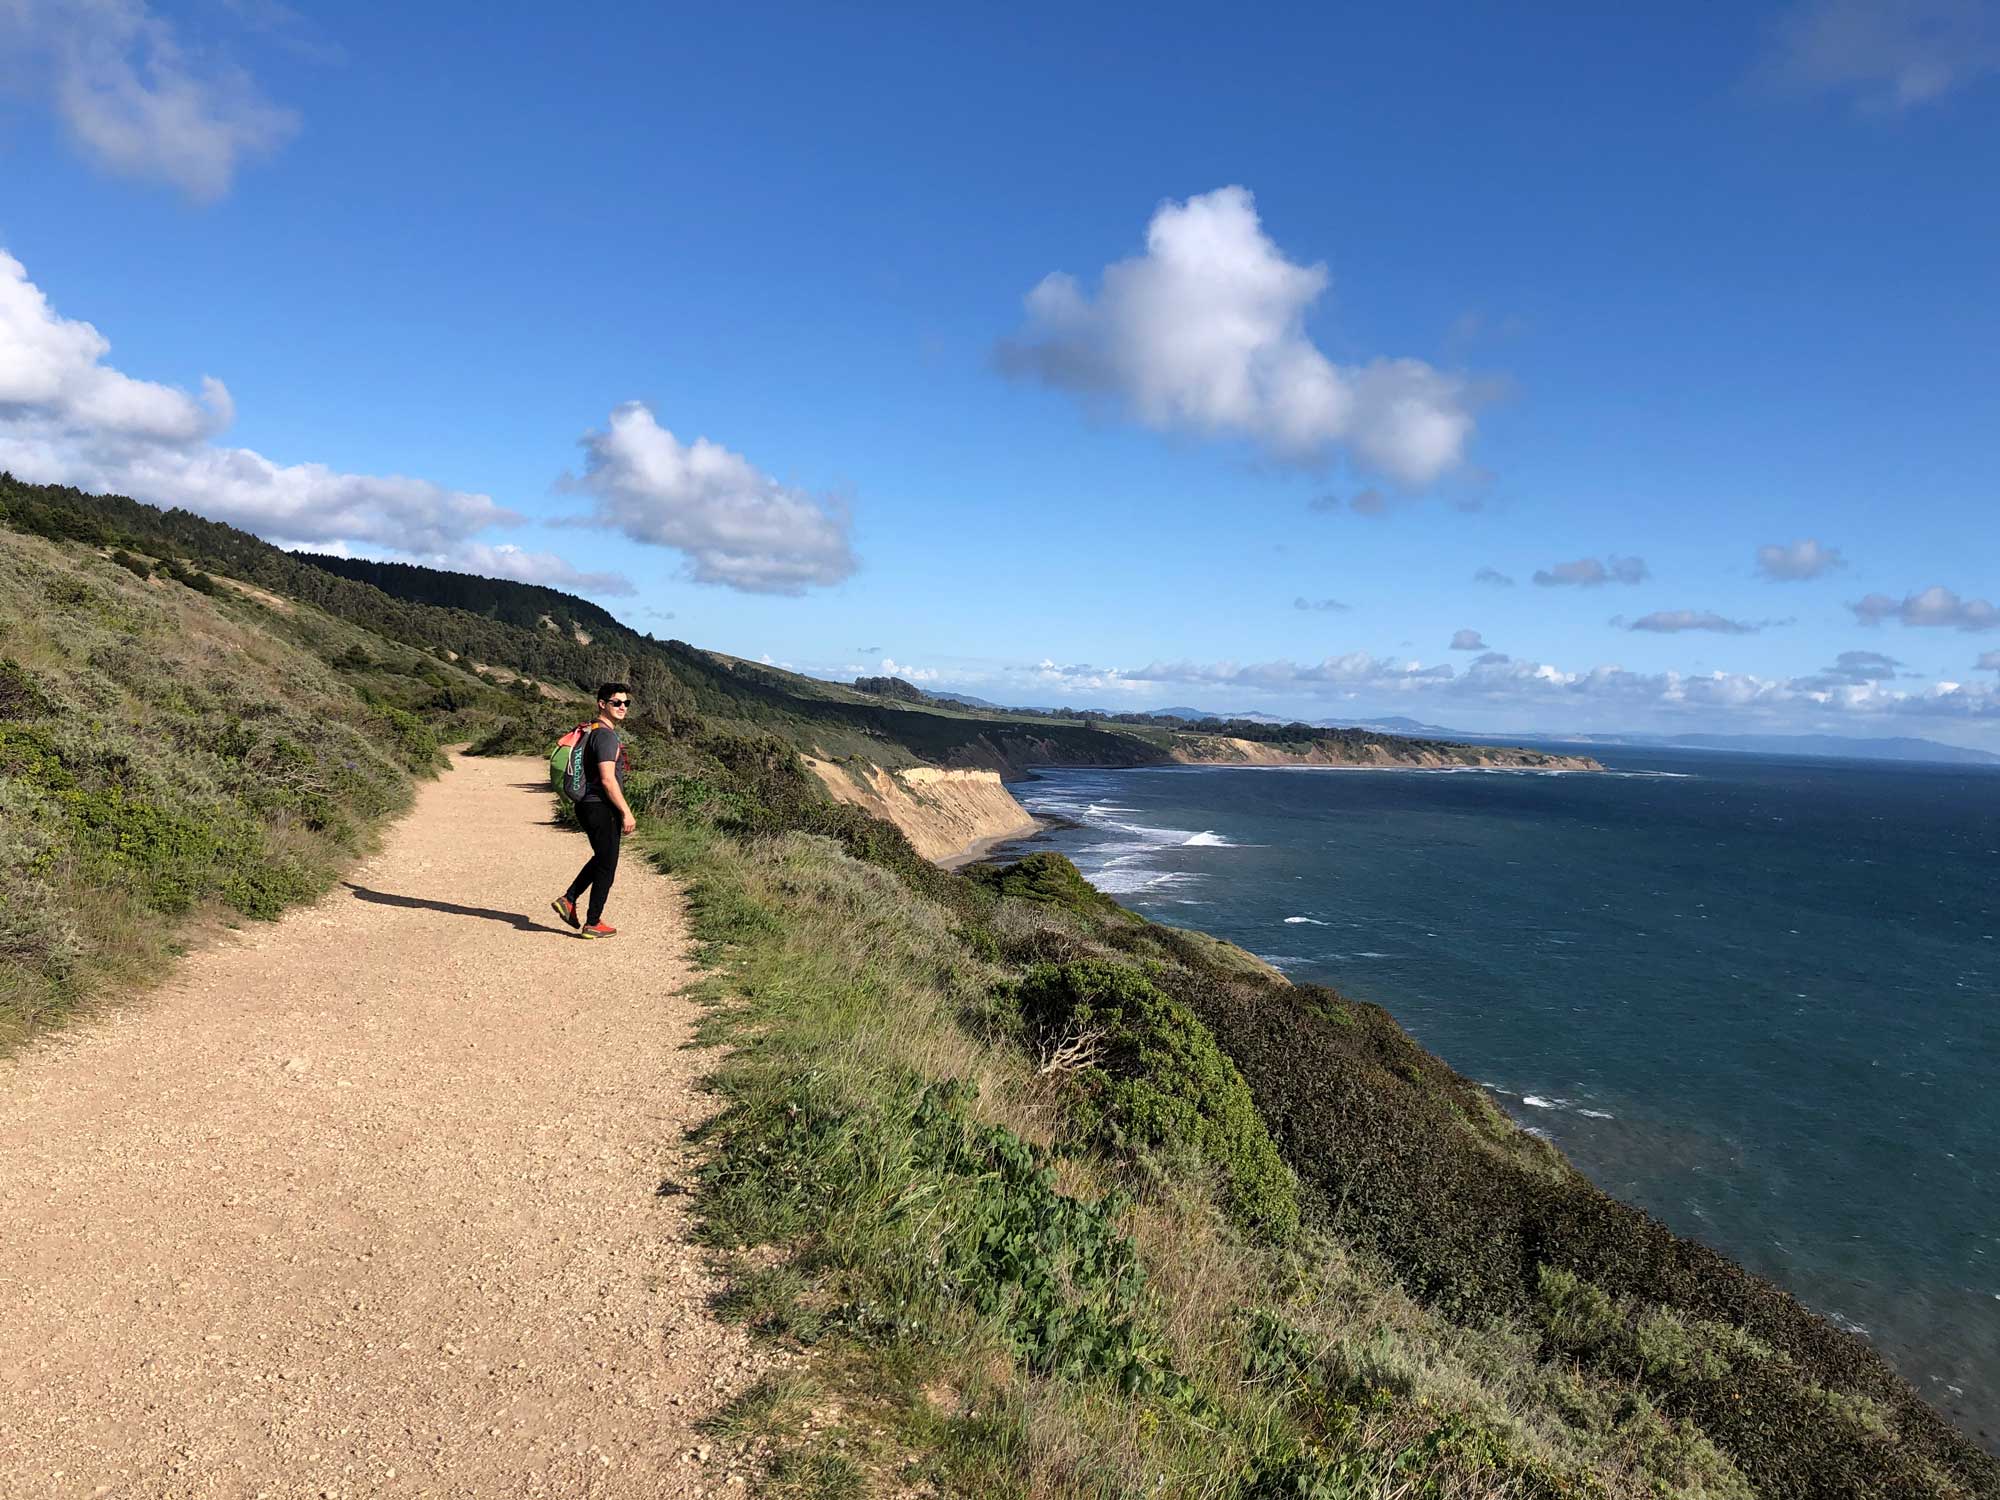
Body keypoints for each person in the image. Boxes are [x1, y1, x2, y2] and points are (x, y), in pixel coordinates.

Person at [551, 683, 635, 938]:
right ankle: (593, 922)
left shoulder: (591, 730)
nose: (622, 707)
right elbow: (608, 779)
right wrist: (626, 812)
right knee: (607, 865)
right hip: (601, 806)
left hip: (586, 806)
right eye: (616, 703)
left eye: (626, 703)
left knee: (602, 858)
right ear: (602, 704)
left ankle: (569, 900)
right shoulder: (606, 736)